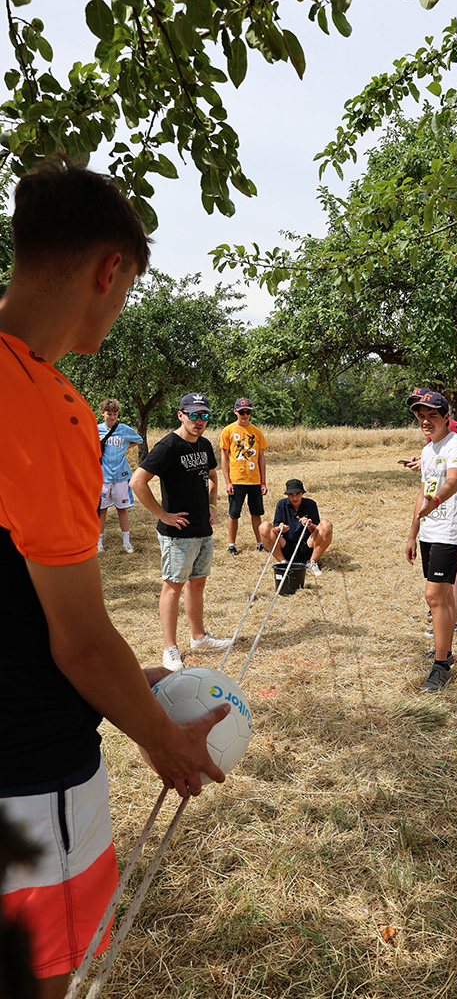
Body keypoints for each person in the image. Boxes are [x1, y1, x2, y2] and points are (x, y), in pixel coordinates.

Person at [0, 158, 231, 999]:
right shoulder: (38, 403)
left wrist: (139, 681)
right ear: (110, 271)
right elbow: (79, 644)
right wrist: (165, 740)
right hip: (28, 776)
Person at [130, 393, 232, 671]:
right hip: (177, 534)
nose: (199, 422)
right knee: (173, 587)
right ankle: (170, 648)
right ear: (181, 415)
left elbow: (212, 477)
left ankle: (198, 637)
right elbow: (137, 482)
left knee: (197, 583)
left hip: (202, 528)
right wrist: (162, 514)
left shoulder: (204, 444)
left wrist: (212, 504)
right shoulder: (168, 446)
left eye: (205, 416)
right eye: (194, 415)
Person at [405, 390, 457, 692]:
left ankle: (441, 665)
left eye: (432, 415)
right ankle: (444, 650)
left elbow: (453, 480)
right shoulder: (429, 449)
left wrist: (436, 502)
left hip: (449, 529)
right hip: (429, 530)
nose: (425, 421)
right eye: (421, 416)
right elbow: (422, 492)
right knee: (442, 597)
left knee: (433, 596)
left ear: (447, 417)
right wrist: (412, 531)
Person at [219, 397, 268, 555]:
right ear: (235, 412)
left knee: (256, 513)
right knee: (234, 513)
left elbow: (261, 458)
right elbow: (224, 458)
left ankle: (260, 543)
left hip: (254, 480)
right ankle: (232, 545)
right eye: (241, 412)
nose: (244, 415)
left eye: (247, 412)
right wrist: (227, 482)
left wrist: (263, 482)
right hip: (236, 480)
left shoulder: (257, 432)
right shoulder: (228, 431)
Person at [259, 478, 333, 576]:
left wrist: (310, 525)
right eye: (291, 495)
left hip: (307, 546)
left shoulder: (311, 504)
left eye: (297, 494)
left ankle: (312, 562)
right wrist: (280, 529)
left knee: (326, 525)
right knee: (264, 527)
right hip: (286, 546)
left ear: (302, 493)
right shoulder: (281, 505)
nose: (295, 498)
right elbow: (275, 530)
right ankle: (283, 563)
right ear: (287, 495)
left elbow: (317, 531)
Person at [97, 398, 143, 553]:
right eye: (109, 414)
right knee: (102, 510)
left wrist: (125, 448)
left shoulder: (124, 429)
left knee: (122, 509)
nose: (112, 417)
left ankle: (126, 542)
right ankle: (99, 543)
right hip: (103, 477)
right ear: (102, 413)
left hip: (121, 476)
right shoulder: (96, 430)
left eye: (115, 414)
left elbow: (139, 440)